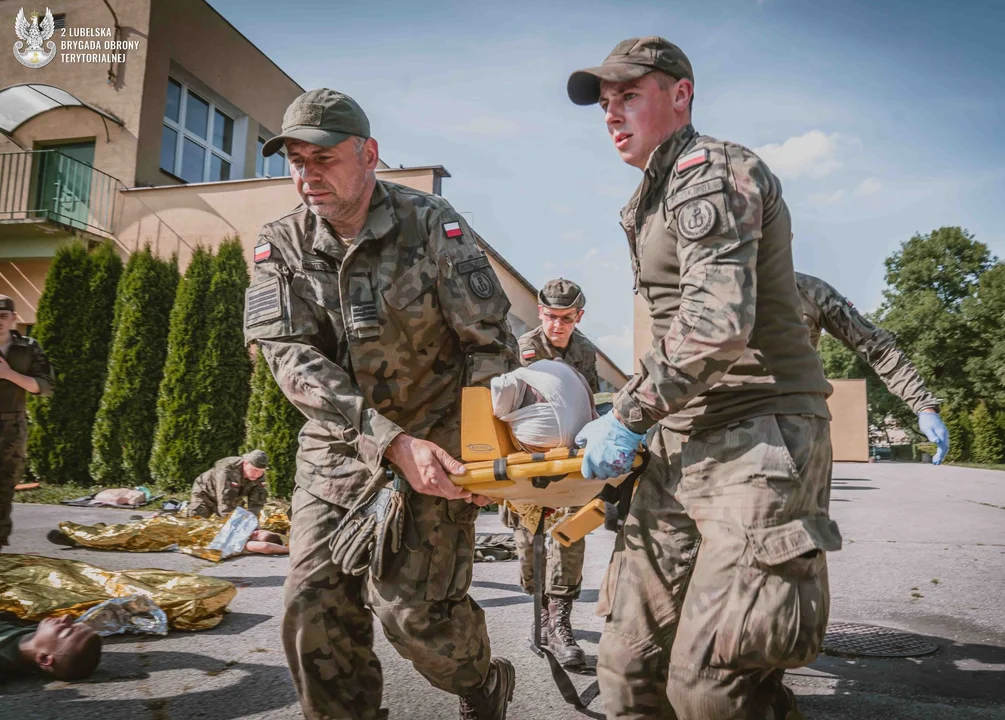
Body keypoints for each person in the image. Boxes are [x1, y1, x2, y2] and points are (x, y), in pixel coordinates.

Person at [568, 37, 842, 719]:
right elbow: (671, 330)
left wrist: (627, 413)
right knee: (627, 668)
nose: (610, 113)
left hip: (757, 431)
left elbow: (716, 325)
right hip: (678, 434)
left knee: (713, 684)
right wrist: (640, 423)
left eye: (627, 95)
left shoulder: (712, 170)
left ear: (680, 93)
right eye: (604, 103)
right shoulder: (646, 200)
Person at [244, 88, 519, 720]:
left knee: (414, 617)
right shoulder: (281, 243)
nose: (307, 174)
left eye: (323, 158)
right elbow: (289, 356)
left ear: (368, 154)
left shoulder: (431, 224)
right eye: (294, 160)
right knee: (311, 609)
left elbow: (489, 342)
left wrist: (480, 452)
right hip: (339, 455)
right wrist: (387, 439)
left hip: (438, 452)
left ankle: (481, 683)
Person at [503, 279, 600, 666]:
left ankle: (559, 621)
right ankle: (541, 610)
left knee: (569, 534)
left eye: (565, 318)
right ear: (540, 312)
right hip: (526, 460)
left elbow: (589, 401)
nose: (556, 325)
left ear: (578, 317)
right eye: (549, 316)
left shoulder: (585, 351)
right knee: (529, 544)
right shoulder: (521, 347)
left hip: (570, 460)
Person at [796, 271, 950, 463]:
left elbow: (879, 349)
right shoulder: (746, 290)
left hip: (795, 428)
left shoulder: (810, 290)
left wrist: (924, 406)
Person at [0, 295, 55, 550]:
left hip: (11, 427)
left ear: (13, 318)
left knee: (4, 488)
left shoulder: (29, 347)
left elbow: (44, 386)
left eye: (2, 316)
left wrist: (8, 374)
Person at [0, 614, 102, 680]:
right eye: (73, 623)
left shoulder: (4, 660)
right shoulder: (31, 625)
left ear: (44, 658)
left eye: (65, 630)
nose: (67, 617)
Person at [186, 450, 269, 519]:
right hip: (206, 492)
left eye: (261, 471)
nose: (257, 475)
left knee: (239, 518)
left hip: (234, 496)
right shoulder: (228, 469)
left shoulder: (259, 476)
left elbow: (256, 504)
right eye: (254, 470)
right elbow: (225, 503)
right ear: (245, 463)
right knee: (197, 519)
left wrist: (252, 523)